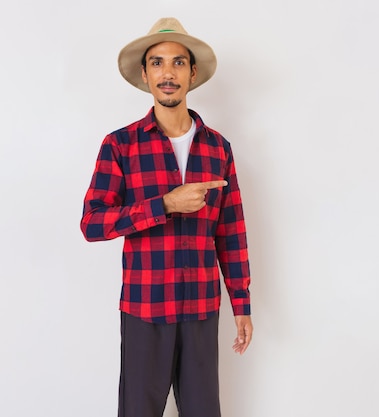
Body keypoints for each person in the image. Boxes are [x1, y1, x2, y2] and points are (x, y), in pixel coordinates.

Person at [80, 17, 253, 417]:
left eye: (177, 62)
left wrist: (241, 303)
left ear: (192, 72)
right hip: (145, 310)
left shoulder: (218, 149)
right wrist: (164, 205)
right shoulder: (120, 145)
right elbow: (92, 222)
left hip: (201, 310)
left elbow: (231, 233)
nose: (167, 73)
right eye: (157, 63)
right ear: (145, 74)